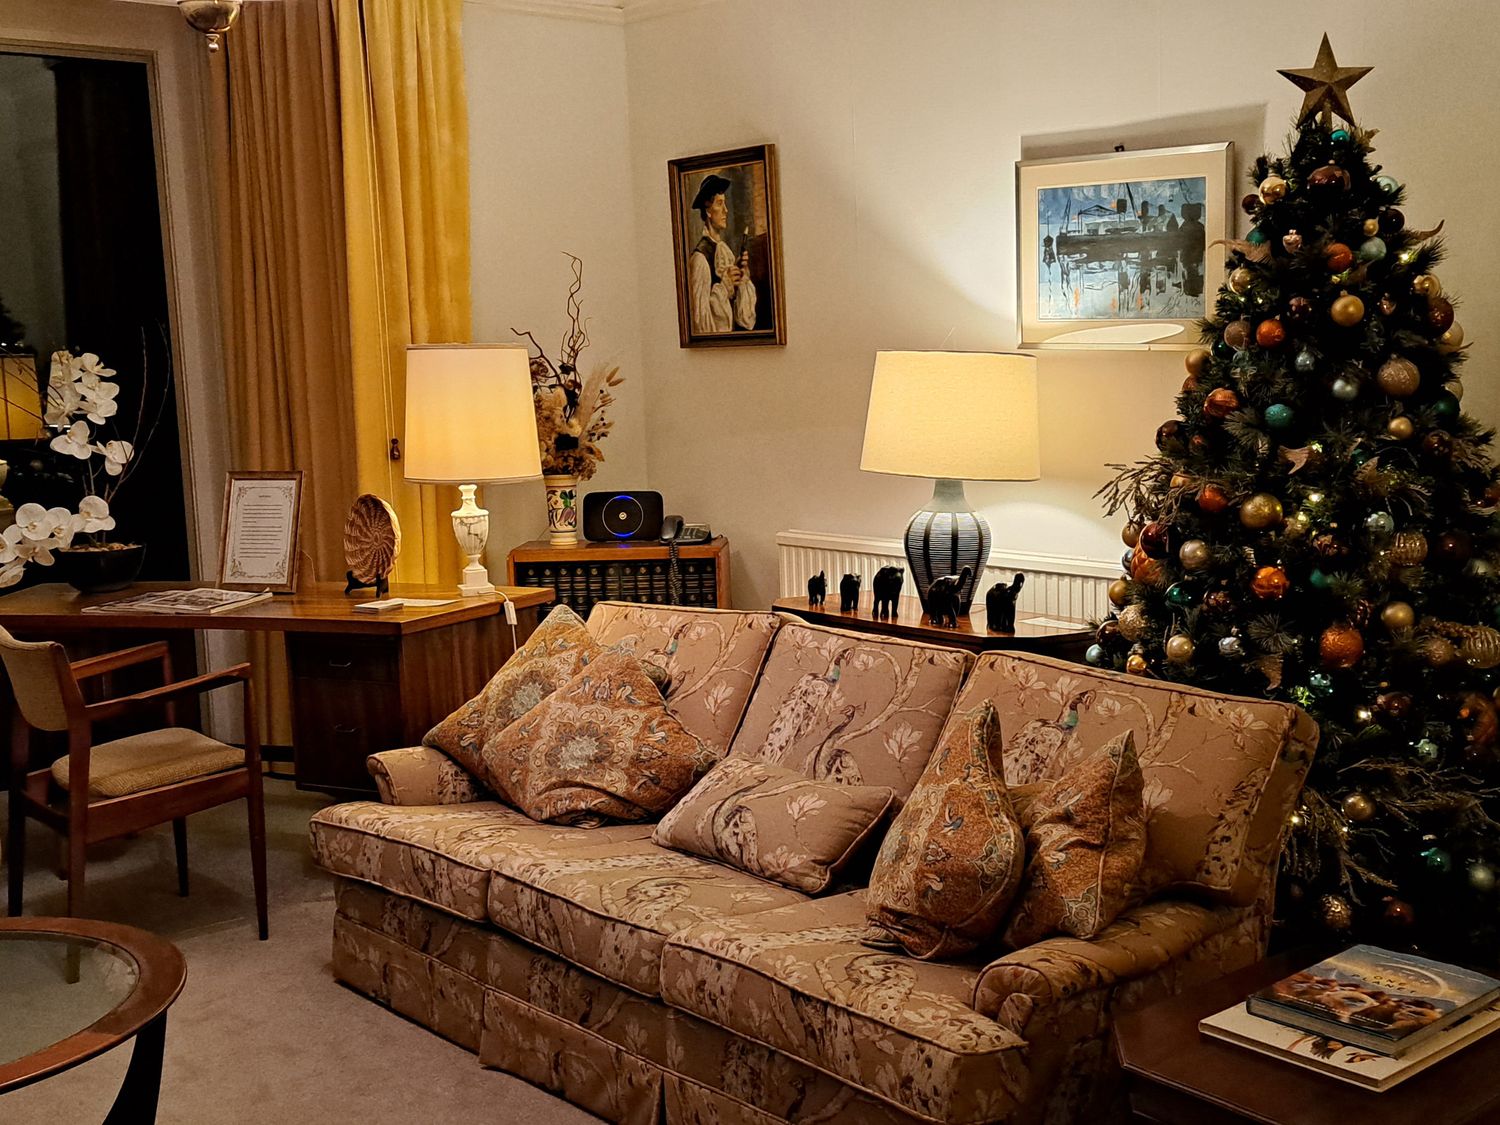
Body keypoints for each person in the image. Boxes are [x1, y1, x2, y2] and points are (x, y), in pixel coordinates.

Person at [687, 173, 756, 334]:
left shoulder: (725, 252)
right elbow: (701, 325)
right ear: (708, 211)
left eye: (725, 203)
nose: (726, 210)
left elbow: (745, 320)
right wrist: (725, 286)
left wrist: (741, 278)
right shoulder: (700, 259)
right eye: (719, 204)